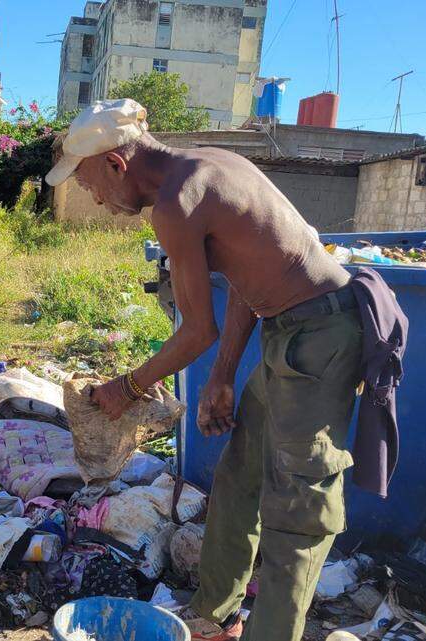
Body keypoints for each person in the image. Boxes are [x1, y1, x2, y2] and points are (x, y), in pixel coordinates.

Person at [47, 99, 366, 641]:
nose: (96, 200)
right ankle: (215, 616)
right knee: (240, 475)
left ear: (116, 164)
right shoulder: (209, 166)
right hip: (288, 332)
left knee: (299, 507)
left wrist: (128, 388)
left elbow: (196, 329)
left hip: (322, 335)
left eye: (88, 184)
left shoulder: (177, 202)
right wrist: (222, 376)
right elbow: (246, 279)